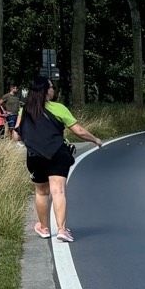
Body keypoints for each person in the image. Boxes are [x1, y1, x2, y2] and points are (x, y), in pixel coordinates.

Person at [12, 77, 100, 242]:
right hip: (57, 154)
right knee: (58, 191)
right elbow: (78, 130)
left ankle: (44, 228)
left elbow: (16, 136)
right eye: (52, 87)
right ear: (46, 90)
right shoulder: (59, 108)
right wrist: (95, 139)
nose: (54, 90)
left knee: (41, 192)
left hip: (35, 156)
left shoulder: (25, 111)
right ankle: (61, 230)